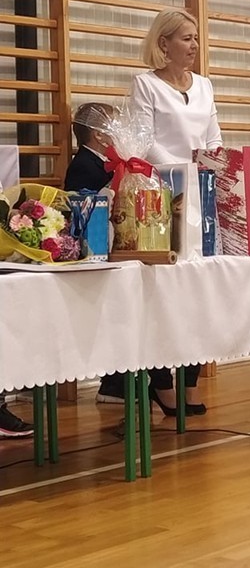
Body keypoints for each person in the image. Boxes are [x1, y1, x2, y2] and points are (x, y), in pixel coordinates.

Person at [130, 7, 223, 417]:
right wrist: (182, 171)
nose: (194, 45)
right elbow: (143, 142)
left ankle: (190, 380)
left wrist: (212, 164)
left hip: (202, 195)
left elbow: (214, 137)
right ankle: (160, 382)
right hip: (161, 198)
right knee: (164, 294)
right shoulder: (145, 84)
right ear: (163, 43)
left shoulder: (204, 85)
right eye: (186, 38)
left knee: (198, 291)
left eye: (196, 37)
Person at [65, 102, 125, 404]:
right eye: (115, 126)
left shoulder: (108, 162)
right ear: (99, 134)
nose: (120, 133)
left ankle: (118, 380)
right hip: (94, 250)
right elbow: (82, 209)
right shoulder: (84, 166)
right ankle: (112, 383)